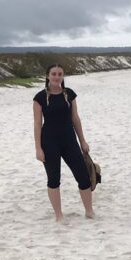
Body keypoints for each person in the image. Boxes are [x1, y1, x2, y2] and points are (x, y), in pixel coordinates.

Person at [33, 64, 94, 221]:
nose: (57, 77)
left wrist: (83, 141)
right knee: (54, 179)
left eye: (60, 74)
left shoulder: (69, 94)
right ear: (47, 76)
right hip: (49, 142)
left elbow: (75, 119)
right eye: (53, 74)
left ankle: (89, 211)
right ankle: (59, 215)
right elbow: (37, 124)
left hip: (69, 141)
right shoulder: (39, 98)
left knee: (83, 177)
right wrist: (38, 148)